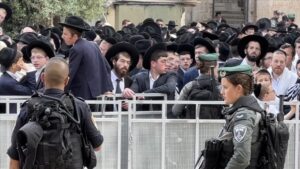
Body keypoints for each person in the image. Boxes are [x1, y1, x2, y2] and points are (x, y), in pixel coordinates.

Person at [7, 57, 103, 169]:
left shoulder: (28, 107)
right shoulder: (80, 107)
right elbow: (97, 146)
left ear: (43, 78)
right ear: (67, 80)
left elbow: (15, 155)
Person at [216, 64, 264, 169]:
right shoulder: (240, 111)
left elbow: (241, 158)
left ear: (238, 88)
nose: (221, 92)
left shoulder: (244, 115)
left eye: (225, 87)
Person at [59, 15, 113, 100]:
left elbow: (70, 74)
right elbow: (107, 67)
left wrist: (59, 92)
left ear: (75, 36)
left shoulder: (76, 49)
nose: (62, 36)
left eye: (65, 33)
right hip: (97, 94)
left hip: (82, 96)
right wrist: (107, 88)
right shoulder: (93, 45)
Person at [172, 53, 222, 119]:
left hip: (193, 127)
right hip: (216, 127)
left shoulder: (189, 86)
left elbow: (176, 111)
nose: (218, 70)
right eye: (217, 68)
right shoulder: (221, 88)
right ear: (212, 69)